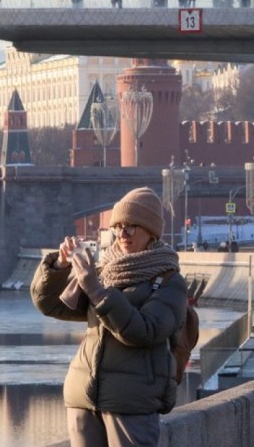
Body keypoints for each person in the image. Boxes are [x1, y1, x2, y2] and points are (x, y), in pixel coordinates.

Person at [31, 187, 188, 447]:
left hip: (130, 402)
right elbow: (50, 305)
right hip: (83, 397)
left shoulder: (169, 282)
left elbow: (144, 331)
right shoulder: (107, 270)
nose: (122, 233)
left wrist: (96, 289)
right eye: (118, 226)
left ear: (151, 231)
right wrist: (59, 267)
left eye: (132, 226)